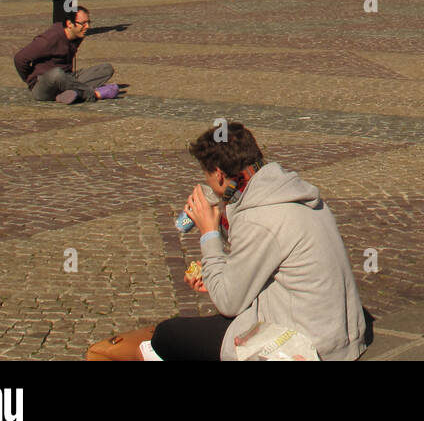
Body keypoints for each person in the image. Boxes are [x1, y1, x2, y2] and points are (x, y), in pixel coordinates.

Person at [149, 122, 368, 361]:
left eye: (207, 176)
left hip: (307, 345)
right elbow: (259, 258)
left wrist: (208, 233)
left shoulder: (259, 219)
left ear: (219, 175)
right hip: (341, 335)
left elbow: (228, 302)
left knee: (166, 335)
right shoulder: (287, 191)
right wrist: (217, 267)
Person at [13, 6, 119, 104]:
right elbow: (20, 58)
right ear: (69, 24)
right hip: (45, 85)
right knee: (57, 74)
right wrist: (30, 80)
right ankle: (92, 94)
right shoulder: (49, 39)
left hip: (66, 78)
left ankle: (70, 94)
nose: (87, 26)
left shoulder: (78, 34)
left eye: (89, 22)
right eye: (83, 23)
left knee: (106, 69)